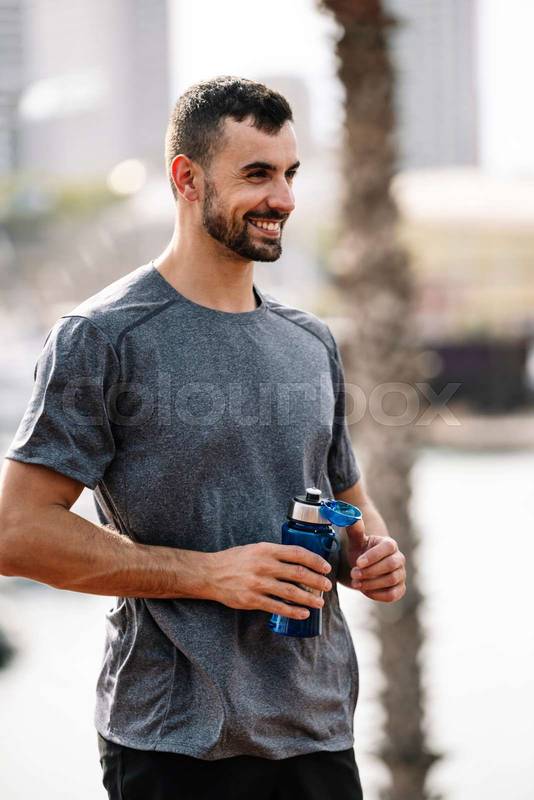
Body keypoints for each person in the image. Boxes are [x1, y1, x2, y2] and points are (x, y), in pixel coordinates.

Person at [0, 76, 406, 800]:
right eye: (256, 174)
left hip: (318, 735)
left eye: (289, 174)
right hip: (170, 742)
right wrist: (209, 575)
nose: (281, 197)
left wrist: (370, 558)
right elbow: (17, 534)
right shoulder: (101, 337)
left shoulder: (310, 341)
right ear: (187, 179)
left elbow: (351, 506)